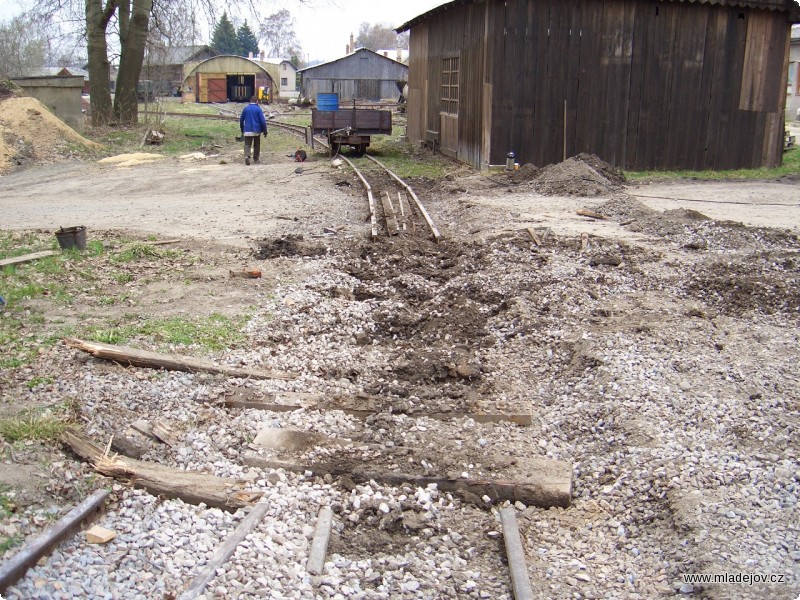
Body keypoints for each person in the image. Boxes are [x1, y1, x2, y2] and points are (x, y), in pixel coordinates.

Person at [239, 96, 268, 165]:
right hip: (256, 130)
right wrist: (265, 130)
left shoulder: (245, 109)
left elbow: (241, 120)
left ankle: (247, 156)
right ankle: (256, 159)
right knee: (257, 145)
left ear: (250, 101)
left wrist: (242, 130)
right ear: (257, 101)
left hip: (247, 130)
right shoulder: (258, 109)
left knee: (247, 144)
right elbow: (263, 121)